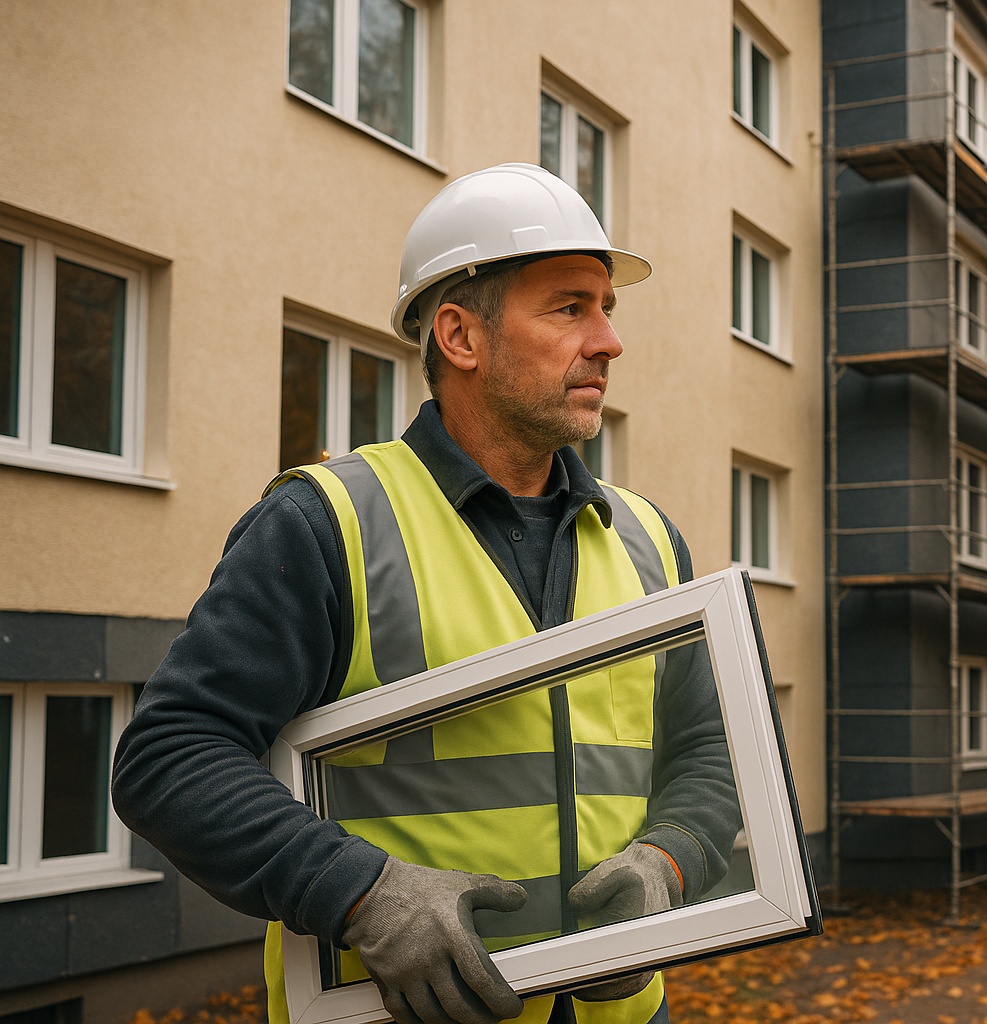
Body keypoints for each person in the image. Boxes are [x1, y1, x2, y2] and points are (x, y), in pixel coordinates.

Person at [111, 163, 741, 1024]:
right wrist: (363, 894)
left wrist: (671, 861)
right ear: (460, 336)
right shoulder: (324, 522)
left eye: (607, 309)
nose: (608, 341)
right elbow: (171, 757)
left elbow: (709, 754)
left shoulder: (648, 539)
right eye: (569, 308)